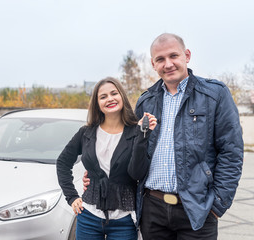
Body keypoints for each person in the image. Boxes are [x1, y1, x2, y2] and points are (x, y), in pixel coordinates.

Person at [84, 33, 244, 240]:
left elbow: (231, 152)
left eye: (173, 56)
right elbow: (131, 154)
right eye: (160, 59)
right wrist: (97, 174)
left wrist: (217, 205)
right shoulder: (146, 101)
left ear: (187, 55)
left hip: (197, 209)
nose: (167, 64)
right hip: (153, 211)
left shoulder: (214, 95)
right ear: (153, 64)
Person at [56, 77, 157, 240]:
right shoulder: (86, 132)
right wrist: (72, 196)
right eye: (103, 97)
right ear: (97, 104)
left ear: (122, 97)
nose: (109, 99)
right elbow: (62, 162)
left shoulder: (135, 132)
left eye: (114, 93)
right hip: (88, 216)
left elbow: (137, 173)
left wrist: (142, 136)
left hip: (124, 221)